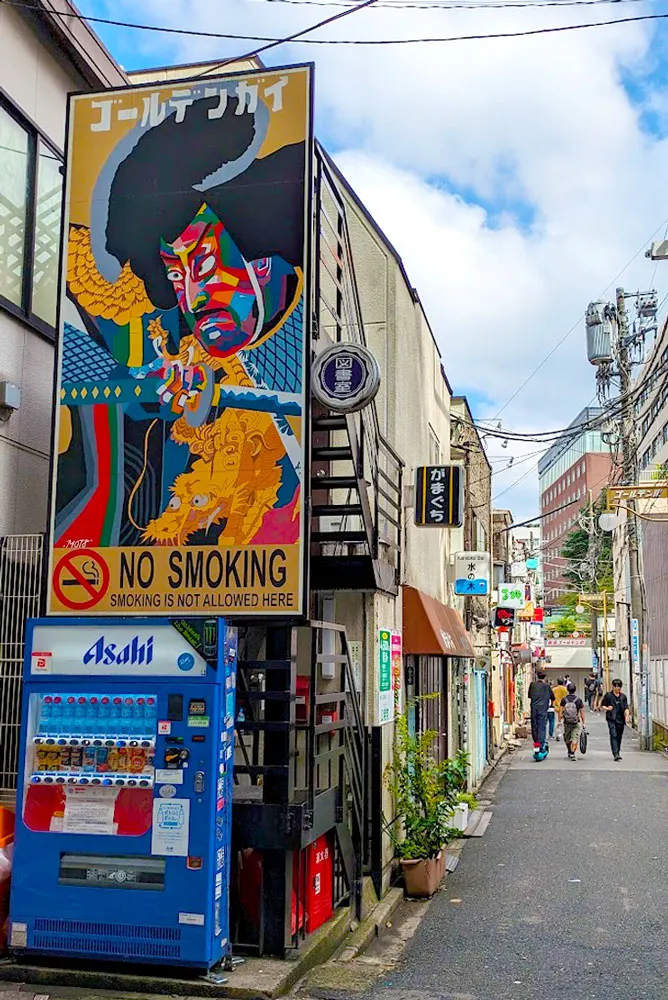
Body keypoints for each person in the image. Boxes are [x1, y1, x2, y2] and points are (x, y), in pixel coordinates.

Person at [528, 668, 554, 760]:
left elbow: (529, 696)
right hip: (543, 710)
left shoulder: (532, 685)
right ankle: (541, 747)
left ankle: (536, 745)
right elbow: (552, 697)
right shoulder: (546, 686)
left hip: (534, 709)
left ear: (536, 676)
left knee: (534, 728)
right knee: (541, 728)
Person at [601, 679, 630, 761]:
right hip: (611, 718)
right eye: (616, 686)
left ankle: (617, 750)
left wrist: (627, 716)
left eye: (619, 687)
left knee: (619, 736)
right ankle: (615, 754)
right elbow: (602, 705)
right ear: (613, 687)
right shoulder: (608, 696)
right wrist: (607, 708)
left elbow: (626, 708)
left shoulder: (623, 697)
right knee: (613, 734)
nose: (617, 688)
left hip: (620, 719)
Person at [560, 682, 585, 761]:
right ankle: (572, 753)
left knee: (567, 738)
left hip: (566, 722)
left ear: (567, 690)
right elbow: (582, 713)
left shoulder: (564, 699)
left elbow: (560, 712)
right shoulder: (578, 700)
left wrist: (559, 721)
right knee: (575, 738)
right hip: (575, 722)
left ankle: (569, 751)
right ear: (575, 690)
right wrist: (584, 723)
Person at [552, 677, 568, 741]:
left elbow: (552, 698)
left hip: (556, 708)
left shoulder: (554, 689)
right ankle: (565, 734)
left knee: (557, 722)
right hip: (564, 708)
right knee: (565, 722)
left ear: (557, 682)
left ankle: (558, 735)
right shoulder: (565, 689)